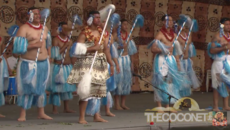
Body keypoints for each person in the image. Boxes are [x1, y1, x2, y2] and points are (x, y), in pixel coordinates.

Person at [67, 10, 114, 124]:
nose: (98, 19)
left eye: (99, 17)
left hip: (100, 63)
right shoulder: (84, 33)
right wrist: (91, 48)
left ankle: (96, 115)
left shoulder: (102, 33)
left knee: (98, 91)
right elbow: (76, 50)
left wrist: (111, 64)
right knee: (86, 91)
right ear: (90, 19)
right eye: (96, 17)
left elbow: (106, 49)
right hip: (87, 63)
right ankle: (82, 117)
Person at [12, 7, 52, 121]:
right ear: (29, 15)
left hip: (43, 62)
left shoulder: (45, 28)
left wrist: (49, 56)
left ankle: (41, 112)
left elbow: (48, 44)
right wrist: (33, 45)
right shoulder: (24, 29)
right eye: (35, 14)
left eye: (39, 14)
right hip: (28, 63)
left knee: (41, 88)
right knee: (26, 88)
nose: (38, 16)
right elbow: (17, 49)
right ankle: (23, 114)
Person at [148, 15, 184, 112]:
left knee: (169, 81)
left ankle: (167, 106)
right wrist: (163, 50)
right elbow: (153, 49)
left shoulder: (174, 35)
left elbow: (176, 50)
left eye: (172, 21)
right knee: (160, 80)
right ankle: (159, 106)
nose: (170, 22)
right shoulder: (160, 35)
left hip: (171, 59)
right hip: (161, 60)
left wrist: (177, 61)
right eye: (168, 20)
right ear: (163, 22)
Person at [48, 22, 76, 114]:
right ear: (60, 29)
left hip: (67, 66)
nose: (67, 31)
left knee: (67, 89)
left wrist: (74, 65)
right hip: (58, 66)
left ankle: (66, 108)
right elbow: (55, 54)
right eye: (65, 29)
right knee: (57, 88)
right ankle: (55, 109)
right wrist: (65, 46)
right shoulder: (56, 40)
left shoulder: (70, 40)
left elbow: (71, 54)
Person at [112, 19, 137, 110]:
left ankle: (123, 103)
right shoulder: (115, 36)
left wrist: (132, 63)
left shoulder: (129, 36)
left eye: (127, 24)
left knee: (126, 82)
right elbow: (111, 49)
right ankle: (117, 104)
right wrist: (118, 47)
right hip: (119, 60)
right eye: (124, 24)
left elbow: (132, 52)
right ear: (120, 26)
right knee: (119, 82)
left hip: (126, 60)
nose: (126, 26)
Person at [208, 17, 230, 112]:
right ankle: (215, 106)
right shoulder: (217, 36)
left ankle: (226, 105)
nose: (229, 26)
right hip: (219, 62)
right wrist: (224, 47)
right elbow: (212, 50)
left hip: (228, 62)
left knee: (227, 84)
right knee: (217, 85)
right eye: (226, 24)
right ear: (222, 25)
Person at [100, 20, 120, 117]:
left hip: (107, 64)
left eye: (105, 22)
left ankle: (107, 110)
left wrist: (114, 64)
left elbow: (111, 52)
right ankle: (95, 111)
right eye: (102, 22)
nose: (104, 24)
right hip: (97, 63)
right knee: (97, 88)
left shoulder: (110, 36)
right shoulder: (94, 35)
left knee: (107, 88)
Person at [177, 16, 200, 97]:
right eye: (180, 25)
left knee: (187, 81)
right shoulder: (176, 36)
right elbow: (179, 45)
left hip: (187, 61)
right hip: (179, 60)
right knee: (180, 81)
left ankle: (185, 99)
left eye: (183, 25)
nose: (182, 26)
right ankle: (178, 99)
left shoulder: (188, 35)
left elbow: (190, 48)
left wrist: (191, 60)